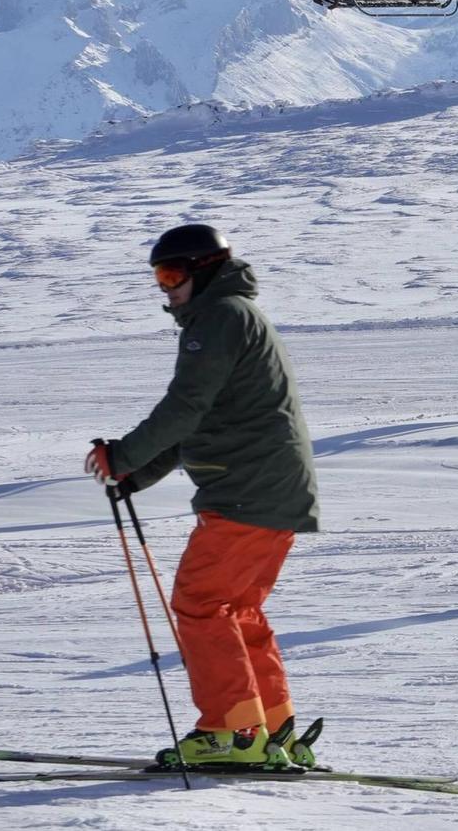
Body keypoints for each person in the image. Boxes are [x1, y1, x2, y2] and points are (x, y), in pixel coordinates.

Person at [84, 224, 322, 770]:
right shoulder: (234, 317)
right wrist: (136, 476)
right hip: (273, 492)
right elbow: (204, 417)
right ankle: (270, 726)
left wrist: (121, 458)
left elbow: (184, 407)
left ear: (205, 269)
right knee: (237, 609)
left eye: (171, 275)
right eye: (158, 278)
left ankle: (229, 732)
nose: (164, 290)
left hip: (246, 493)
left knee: (199, 604)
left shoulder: (217, 318)